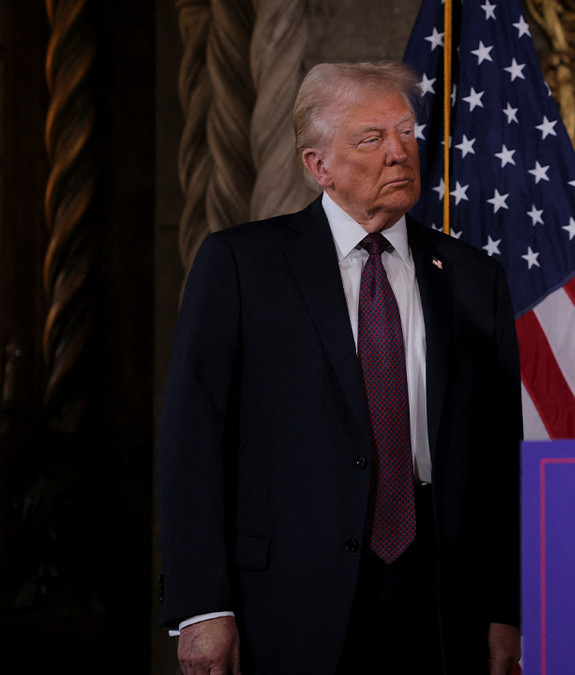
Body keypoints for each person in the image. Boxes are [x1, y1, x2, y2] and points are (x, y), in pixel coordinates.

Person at [158, 62, 522, 674]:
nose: (399, 152)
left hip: (440, 593)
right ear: (316, 165)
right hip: (287, 598)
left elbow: (497, 456)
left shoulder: (472, 275)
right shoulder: (242, 265)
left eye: (406, 132)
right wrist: (201, 607)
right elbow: (193, 442)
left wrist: (504, 606)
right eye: (371, 138)